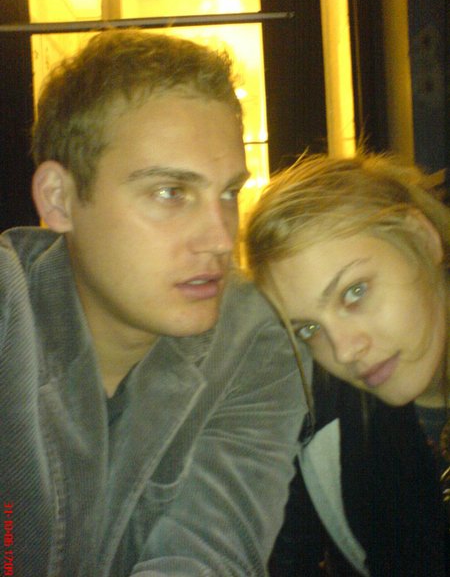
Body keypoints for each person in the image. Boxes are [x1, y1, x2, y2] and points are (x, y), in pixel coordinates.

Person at [0, 28, 309, 576]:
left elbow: (207, 554)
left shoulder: (253, 338)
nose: (221, 239)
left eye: (228, 193)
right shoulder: (9, 309)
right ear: (59, 200)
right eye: (171, 193)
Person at [245, 152, 450, 575]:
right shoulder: (322, 427)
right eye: (308, 329)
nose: (343, 351)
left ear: (422, 239)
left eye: (355, 292)